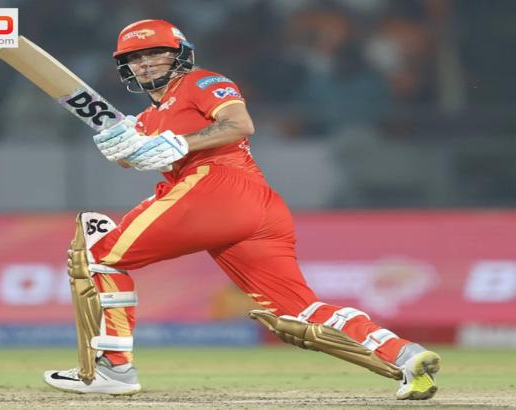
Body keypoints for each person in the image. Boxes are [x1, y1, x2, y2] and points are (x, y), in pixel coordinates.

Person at [43, 19, 440, 400]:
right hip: (255, 207)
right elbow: (134, 157)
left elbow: (239, 124)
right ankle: (405, 356)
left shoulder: (201, 81)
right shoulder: (147, 119)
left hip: (216, 186)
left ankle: (113, 369)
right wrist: (120, 142)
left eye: (155, 53)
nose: (145, 63)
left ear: (179, 55)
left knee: (99, 257)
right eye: (135, 57)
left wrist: (181, 142)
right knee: (298, 311)